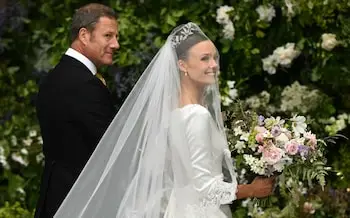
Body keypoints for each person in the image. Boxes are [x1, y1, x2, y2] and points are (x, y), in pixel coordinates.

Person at [54, 22, 274, 218]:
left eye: (215, 57)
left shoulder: (170, 114)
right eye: (204, 58)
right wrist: (252, 190)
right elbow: (205, 188)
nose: (214, 65)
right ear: (182, 65)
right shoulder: (196, 116)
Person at [34, 3, 119, 218]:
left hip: (55, 197)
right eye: (108, 35)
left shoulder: (56, 76)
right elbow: (112, 147)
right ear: (84, 35)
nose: (116, 44)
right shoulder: (83, 85)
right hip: (80, 204)